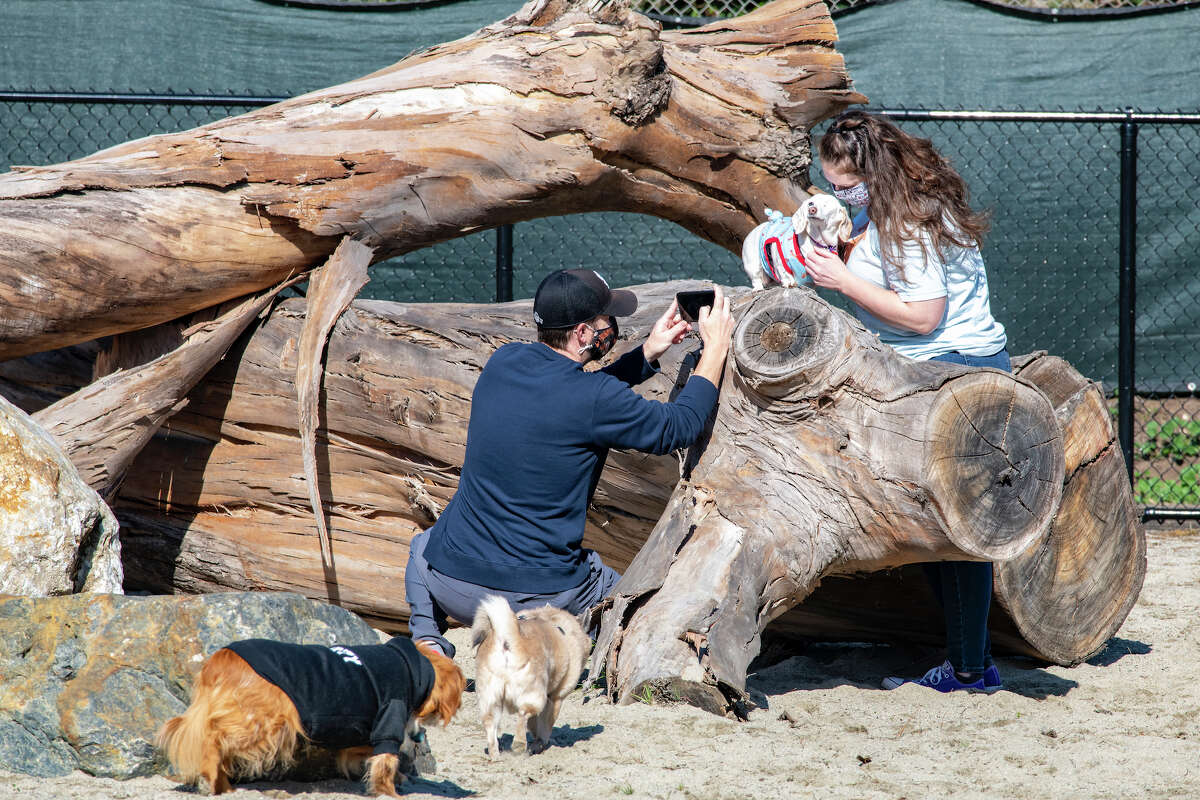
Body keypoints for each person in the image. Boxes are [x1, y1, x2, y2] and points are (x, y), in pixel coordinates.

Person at [405, 269, 734, 658]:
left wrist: (646, 354)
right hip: (540, 595)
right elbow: (679, 427)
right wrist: (714, 350)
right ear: (582, 334)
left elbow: (576, 398)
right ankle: (549, 637)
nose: (612, 326)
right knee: (628, 598)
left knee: (422, 547)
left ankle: (426, 638)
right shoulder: (593, 397)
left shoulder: (503, 362)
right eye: (605, 320)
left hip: (454, 589)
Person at [803, 110, 1008, 693]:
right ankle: (968, 659)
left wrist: (843, 281)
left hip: (951, 375)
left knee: (955, 529)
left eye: (845, 185)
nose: (839, 194)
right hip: (938, 369)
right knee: (937, 520)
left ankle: (971, 669)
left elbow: (924, 315)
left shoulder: (909, 222)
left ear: (873, 171)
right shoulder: (894, 205)